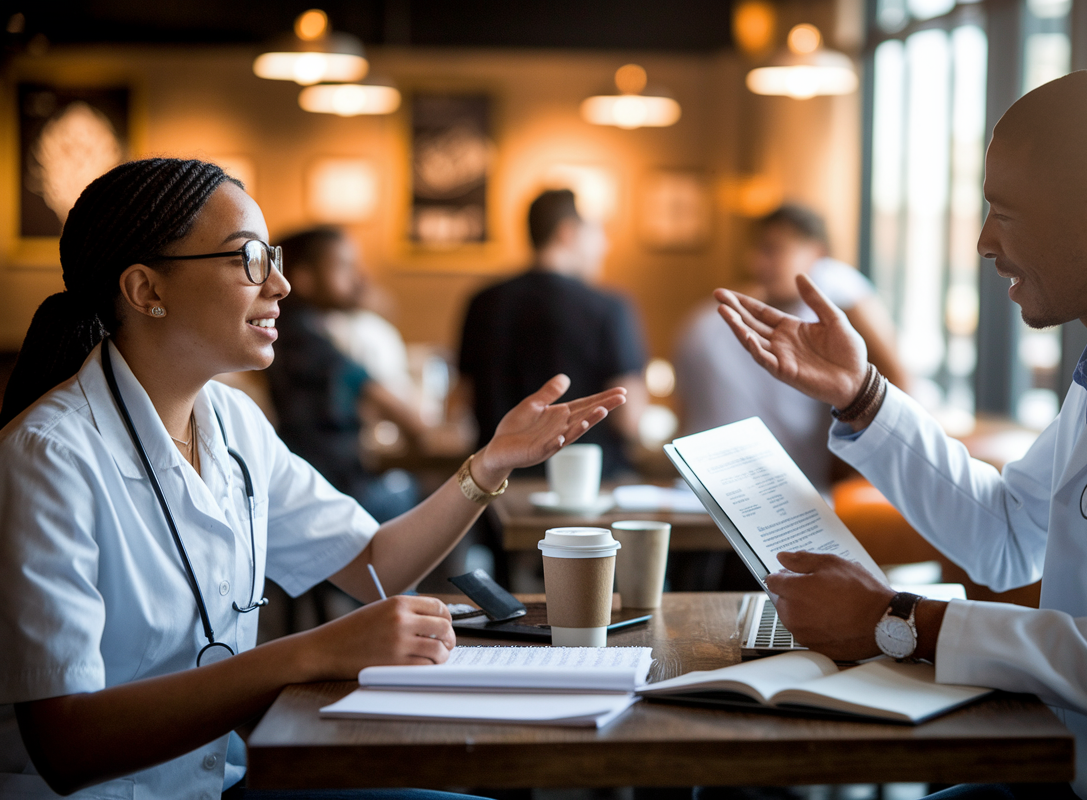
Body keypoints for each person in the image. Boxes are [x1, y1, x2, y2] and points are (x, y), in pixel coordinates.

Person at [715, 70, 1087, 799]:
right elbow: (1007, 536)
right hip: (1063, 767)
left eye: (1004, 213)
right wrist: (861, 397)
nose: (983, 242)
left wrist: (905, 622)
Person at [0, 158, 625, 800]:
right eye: (248, 260)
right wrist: (310, 652)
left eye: (272, 256)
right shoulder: (49, 456)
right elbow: (64, 743)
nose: (280, 285)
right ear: (145, 290)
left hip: (223, 782)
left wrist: (488, 465)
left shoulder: (234, 423)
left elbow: (373, 561)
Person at [675, 203, 908, 490]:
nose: (756, 264)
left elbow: (899, 386)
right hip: (702, 487)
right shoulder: (703, 326)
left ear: (818, 255)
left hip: (802, 492)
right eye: (757, 250)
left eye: (773, 250)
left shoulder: (840, 295)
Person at [458, 189, 648, 480]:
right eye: (598, 232)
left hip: (496, 484)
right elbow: (630, 420)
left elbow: (462, 401)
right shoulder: (608, 308)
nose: (605, 245)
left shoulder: (482, 302)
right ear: (567, 232)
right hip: (587, 487)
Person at [266, 226, 426, 523]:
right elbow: (408, 418)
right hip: (331, 493)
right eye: (343, 266)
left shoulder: (287, 333)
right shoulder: (307, 343)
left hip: (306, 489)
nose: (359, 278)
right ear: (303, 279)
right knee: (421, 495)